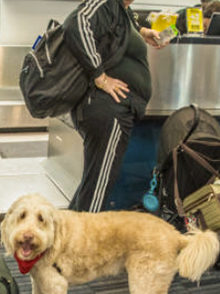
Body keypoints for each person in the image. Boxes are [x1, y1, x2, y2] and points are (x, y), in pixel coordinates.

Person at [63, 0, 165, 213]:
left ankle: (65, 242)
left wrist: (143, 33)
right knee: (97, 189)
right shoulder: (107, 2)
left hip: (114, 110)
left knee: (93, 184)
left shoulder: (122, 10)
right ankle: (85, 245)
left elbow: (121, 33)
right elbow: (76, 23)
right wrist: (100, 76)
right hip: (108, 110)